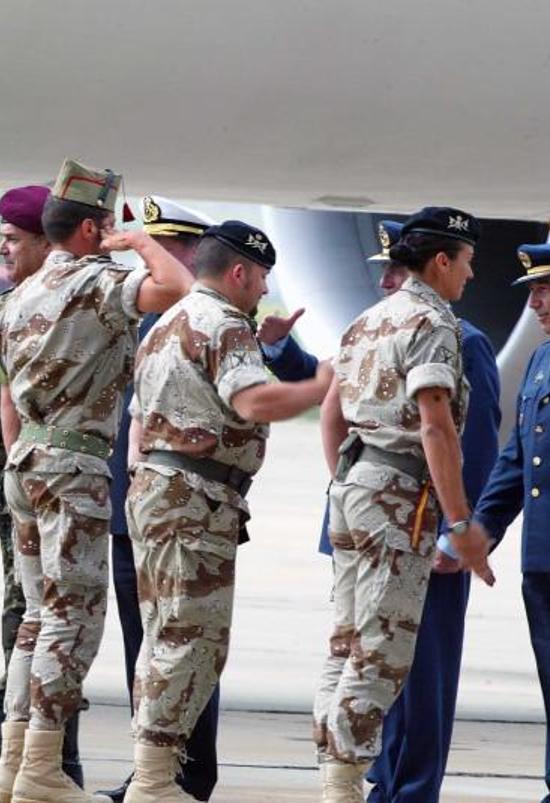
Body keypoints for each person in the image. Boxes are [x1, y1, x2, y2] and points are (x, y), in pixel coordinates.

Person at [0, 158, 195, 803]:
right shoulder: (95, 282)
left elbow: (5, 396)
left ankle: (13, 763)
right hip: (72, 466)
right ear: (90, 229)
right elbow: (179, 288)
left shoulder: (20, 294)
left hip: (27, 461)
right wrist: (137, 244)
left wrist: (20, 456)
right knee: (71, 618)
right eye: (107, 224)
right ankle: (42, 766)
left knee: (35, 617)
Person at [124, 221, 334, 802]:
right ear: (239, 272)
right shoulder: (224, 323)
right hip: (194, 499)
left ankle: (152, 773)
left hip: (161, 492)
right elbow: (253, 400)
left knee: (164, 637)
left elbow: (141, 422)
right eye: (261, 277)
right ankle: (153, 783)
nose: (264, 289)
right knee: (191, 642)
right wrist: (319, 387)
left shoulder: (168, 321)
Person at [314, 206, 494, 801]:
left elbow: (333, 416)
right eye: (466, 261)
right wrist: (461, 522)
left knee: (345, 645)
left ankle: (334, 781)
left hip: (353, 487)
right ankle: (345, 789)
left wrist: (352, 483)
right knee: (381, 653)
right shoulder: (433, 322)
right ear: (442, 260)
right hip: (399, 498)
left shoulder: (367, 320)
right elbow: (436, 426)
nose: (470, 274)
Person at [0, 183, 95, 797]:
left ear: (44, 242)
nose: (2, 248)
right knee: (29, 619)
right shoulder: (9, 305)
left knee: (48, 619)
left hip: (44, 483)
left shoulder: (69, 307)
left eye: (12, 239)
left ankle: (47, 752)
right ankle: (21, 750)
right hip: (20, 489)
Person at [99, 196, 221, 803]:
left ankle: (188, 772)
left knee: (186, 641)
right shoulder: (140, 317)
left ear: (191, 256)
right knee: (143, 647)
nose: (151, 260)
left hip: (181, 510)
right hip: (132, 508)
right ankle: (151, 768)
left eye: (163, 248)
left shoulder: (210, 322)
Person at [473, 241, 550, 802]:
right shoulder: (544, 360)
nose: (534, 303)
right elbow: (518, 456)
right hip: (544, 557)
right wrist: (483, 528)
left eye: (544, 289)